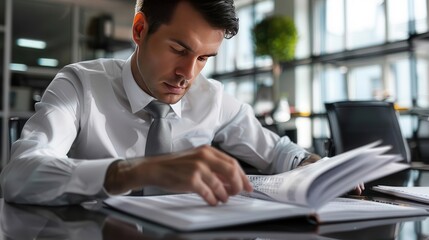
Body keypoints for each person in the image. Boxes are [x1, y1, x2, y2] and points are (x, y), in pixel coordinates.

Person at [0, 0, 362, 206]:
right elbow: (19, 175)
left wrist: (315, 165)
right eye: (179, 49)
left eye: (205, 58)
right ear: (139, 30)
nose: (188, 74)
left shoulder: (213, 98)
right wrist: (136, 170)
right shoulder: (80, 84)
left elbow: (277, 151)